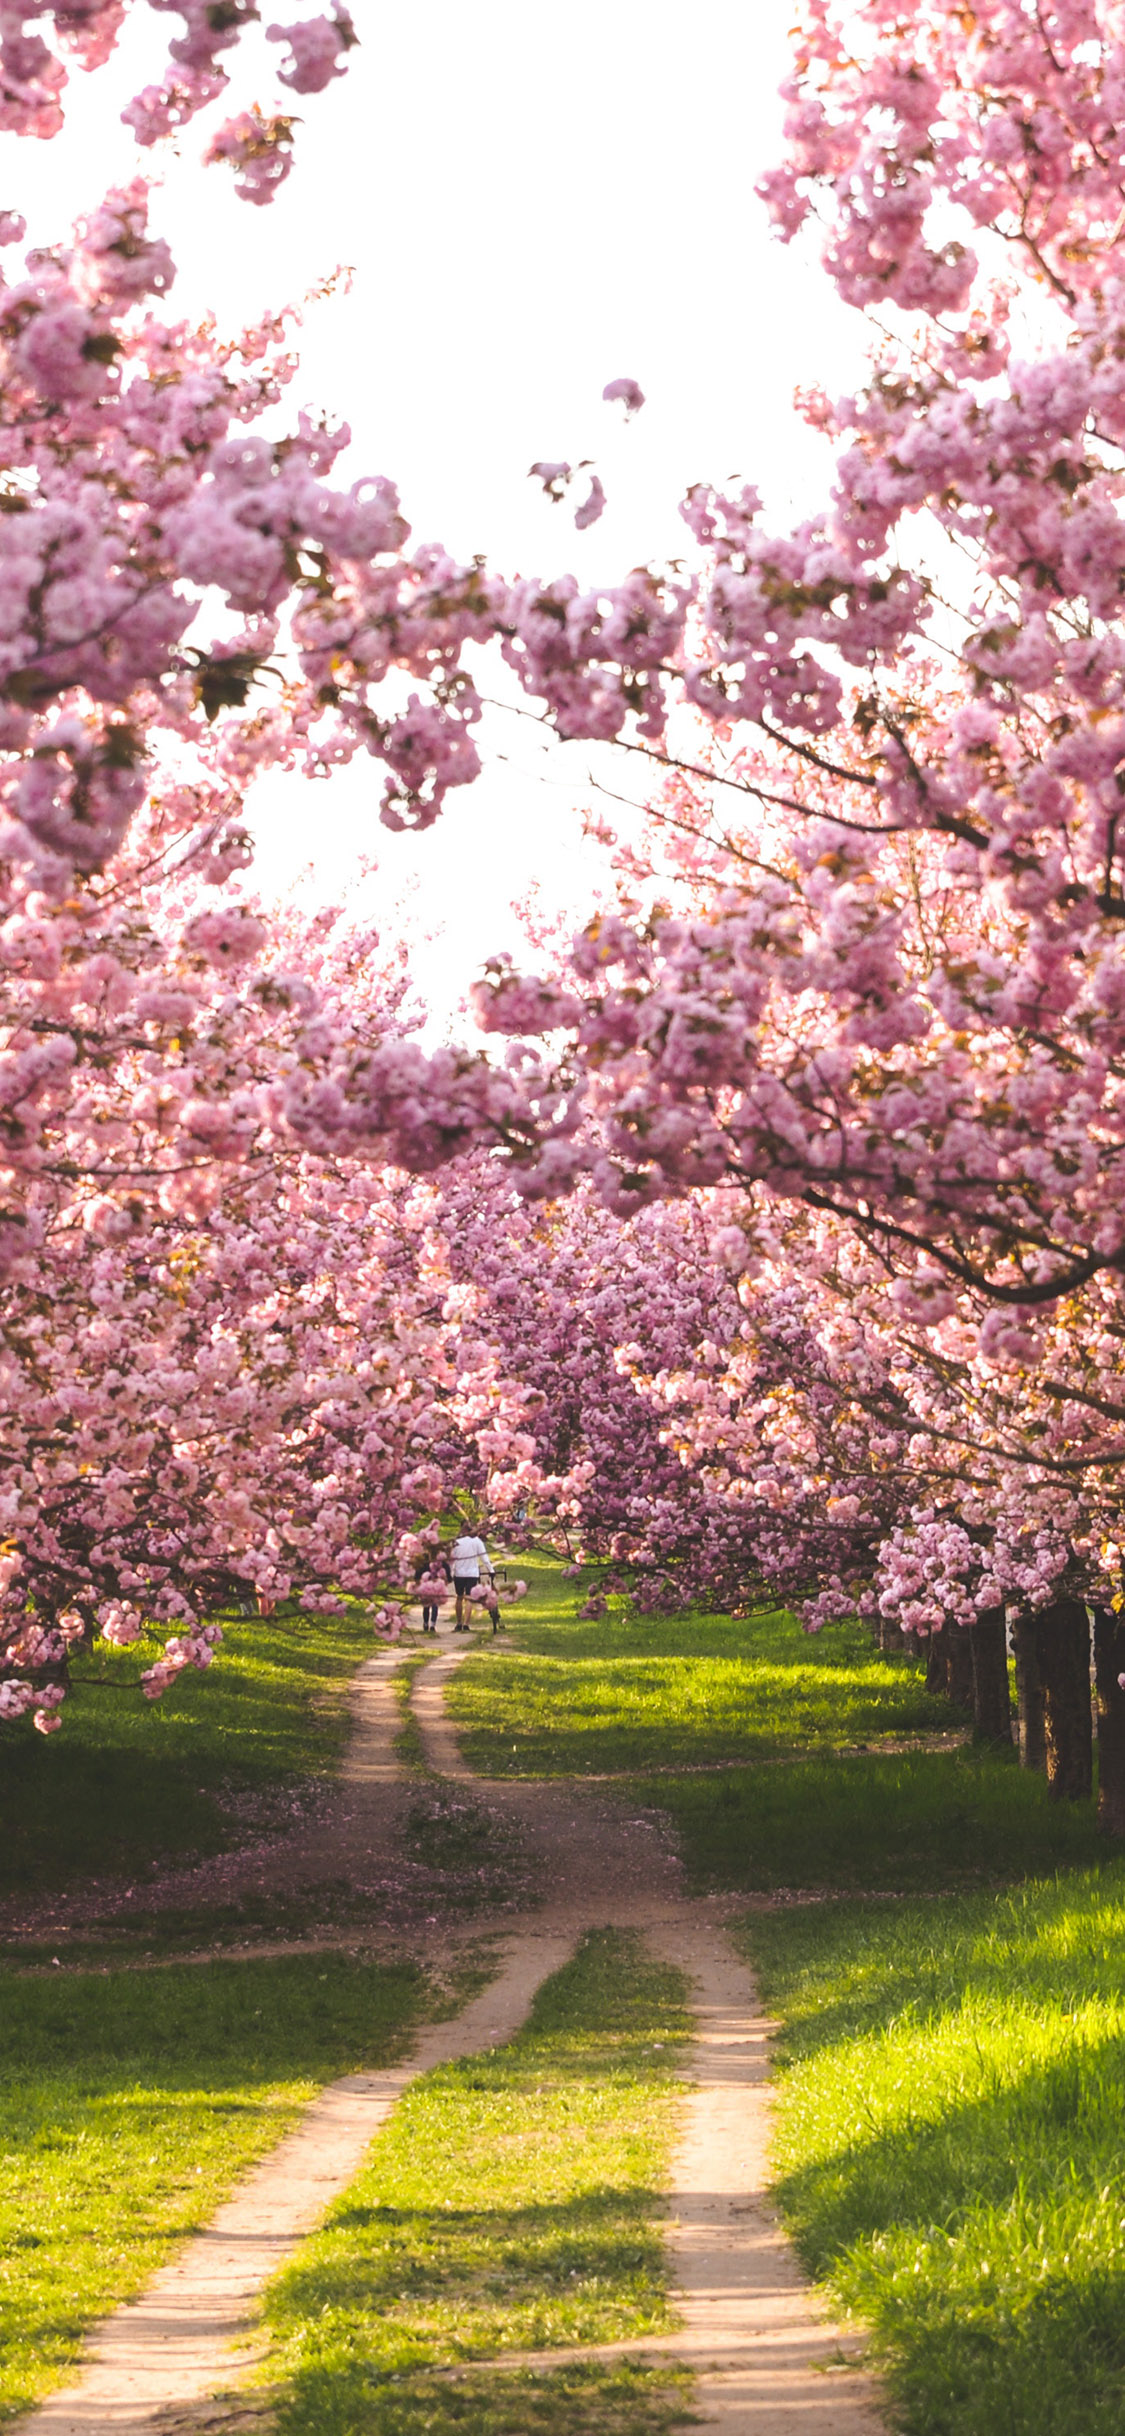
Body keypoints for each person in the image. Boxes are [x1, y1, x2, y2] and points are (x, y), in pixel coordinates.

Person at [450, 1529, 492, 1630]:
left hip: (459, 1573)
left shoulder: (457, 1542)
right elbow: (484, 1558)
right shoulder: (477, 1541)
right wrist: (491, 1570)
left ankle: (459, 1623)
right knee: (469, 1598)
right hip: (472, 1574)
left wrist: (451, 1571)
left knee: (459, 1597)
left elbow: (451, 1558)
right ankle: (466, 1624)